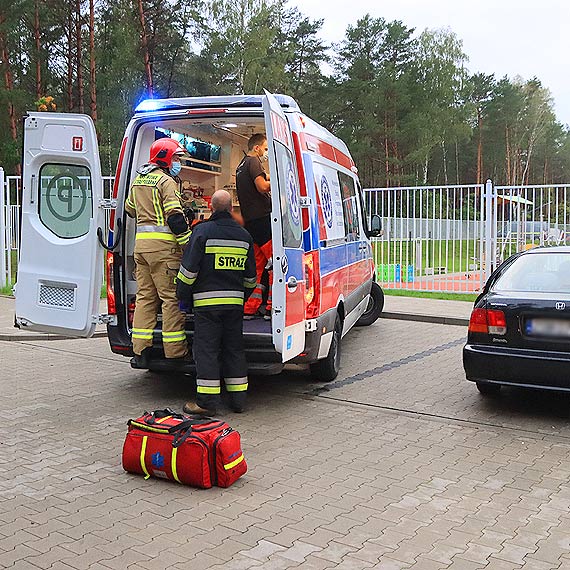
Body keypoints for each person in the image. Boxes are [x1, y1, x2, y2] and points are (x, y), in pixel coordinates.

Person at [176, 190, 257, 415]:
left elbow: (188, 272)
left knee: (207, 350)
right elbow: (251, 278)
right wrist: (242, 297)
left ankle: (207, 403)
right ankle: (238, 400)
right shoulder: (244, 236)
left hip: (206, 305)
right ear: (232, 209)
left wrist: (182, 296)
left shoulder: (202, 232)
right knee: (234, 349)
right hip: (234, 305)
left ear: (211, 208)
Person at [125, 137, 192, 368]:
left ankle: (140, 351)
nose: (178, 162)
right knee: (170, 300)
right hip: (164, 251)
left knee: (145, 298)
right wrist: (188, 245)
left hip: (141, 249)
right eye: (176, 158)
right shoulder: (166, 182)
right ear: (164, 157)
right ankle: (175, 352)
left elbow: (129, 209)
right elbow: (174, 217)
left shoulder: (138, 180)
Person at [235, 133, 272, 319]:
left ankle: (249, 307)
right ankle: (273, 307)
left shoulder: (240, 166)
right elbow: (262, 187)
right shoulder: (253, 161)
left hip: (251, 222)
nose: (266, 152)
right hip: (263, 220)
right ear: (256, 148)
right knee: (275, 264)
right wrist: (277, 183)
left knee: (257, 266)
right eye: (265, 148)